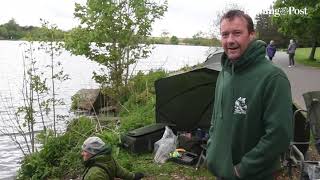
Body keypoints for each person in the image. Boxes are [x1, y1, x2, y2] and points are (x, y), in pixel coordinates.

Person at [206, 10, 293, 180]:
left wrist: (242, 169)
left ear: (251, 35)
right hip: (222, 171)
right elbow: (216, 119)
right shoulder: (224, 73)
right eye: (225, 34)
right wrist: (212, 151)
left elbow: (279, 135)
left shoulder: (273, 77)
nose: (230, 40)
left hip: (253, 175)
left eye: (237, 33)